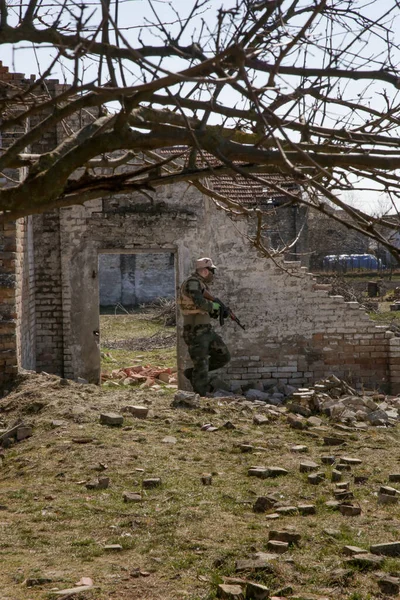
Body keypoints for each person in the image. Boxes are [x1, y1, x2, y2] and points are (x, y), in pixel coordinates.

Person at [178, 257, 231, 396]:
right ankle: (200, 398)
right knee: (201, 365)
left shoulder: (200, 284)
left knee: (224, 356)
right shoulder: (193, 283)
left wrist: (218, 310)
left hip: (206, 329)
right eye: (212, 270)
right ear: (205, 271)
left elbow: (204, 307)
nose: (213, 274)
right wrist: (213, 306)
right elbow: (200, 303)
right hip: (195, 330)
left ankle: (193, 373)